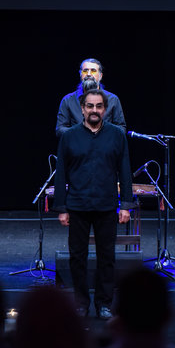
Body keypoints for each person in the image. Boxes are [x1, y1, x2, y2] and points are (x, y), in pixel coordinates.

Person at [53, 88, 133, 320]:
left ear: (105, 110)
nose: (95, 110)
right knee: (77, 258)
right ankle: (80, 303)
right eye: (90, 106)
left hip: (106, 206)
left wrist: (126, 205)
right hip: (77, 206)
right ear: (82, 109)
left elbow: (125, 171)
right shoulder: (70, 136)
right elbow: (61, 175)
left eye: (99, 106)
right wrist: (61, 208)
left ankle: (104, 304)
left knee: (106, 257)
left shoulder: (117, 135)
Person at [55, 58, 127, 137]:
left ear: (100, 76)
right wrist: (81, 132)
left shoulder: (113, 99)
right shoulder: (68, 100)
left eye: (93, 70)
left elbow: (121, 129)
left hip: (104, 147)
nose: (88, 74)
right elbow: (60, 130)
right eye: (85, 71)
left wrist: (102, 133)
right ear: (80, 74)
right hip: (78, 147)